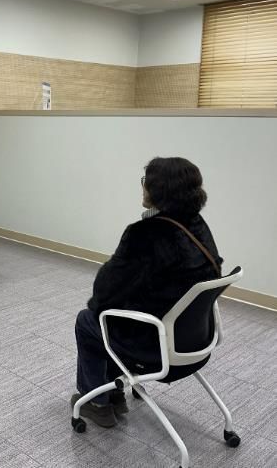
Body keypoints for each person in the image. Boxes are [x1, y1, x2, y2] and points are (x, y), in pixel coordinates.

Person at [71, 157, 222, 428]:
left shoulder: (144, 234)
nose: (142, 187)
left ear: (158, 189)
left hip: (153, 348)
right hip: (196, 343)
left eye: (146, 181)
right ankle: (115, 393)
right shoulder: (197, 226)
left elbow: (103, 291)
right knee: (114, 315)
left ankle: (97, 402)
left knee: (89, 320)